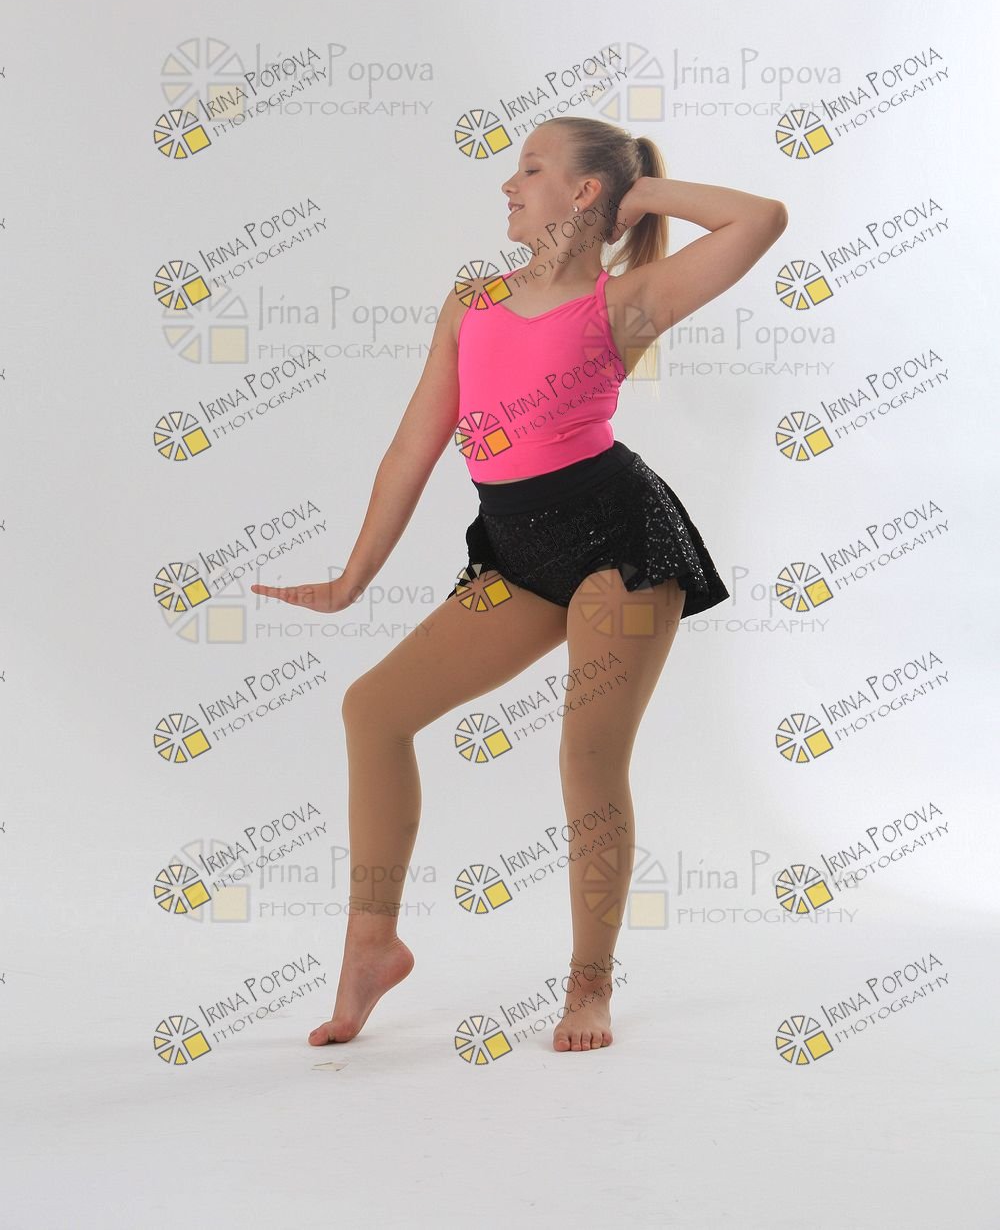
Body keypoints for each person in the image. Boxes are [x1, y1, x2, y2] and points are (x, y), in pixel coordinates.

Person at [251, 116, 788, 1052]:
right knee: (374, 711)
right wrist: (351, 580)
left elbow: (762, 219)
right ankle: (372, 946)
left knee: (586, 761)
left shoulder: (626, 302)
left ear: (584, 193)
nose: (507, 184)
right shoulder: (474, 302)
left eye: (531, 169)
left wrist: (642, 194)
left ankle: (590, 986)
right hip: (518, 553)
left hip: (620, 545)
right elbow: (413, 447)